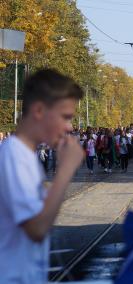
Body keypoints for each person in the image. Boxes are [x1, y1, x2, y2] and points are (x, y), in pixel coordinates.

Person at [0, 69, 84, 283]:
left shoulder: (25, 156)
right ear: (39, 110)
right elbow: (37, 228)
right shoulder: (14, 156)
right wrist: (65, 170)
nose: (69, 127)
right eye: (65, 117)